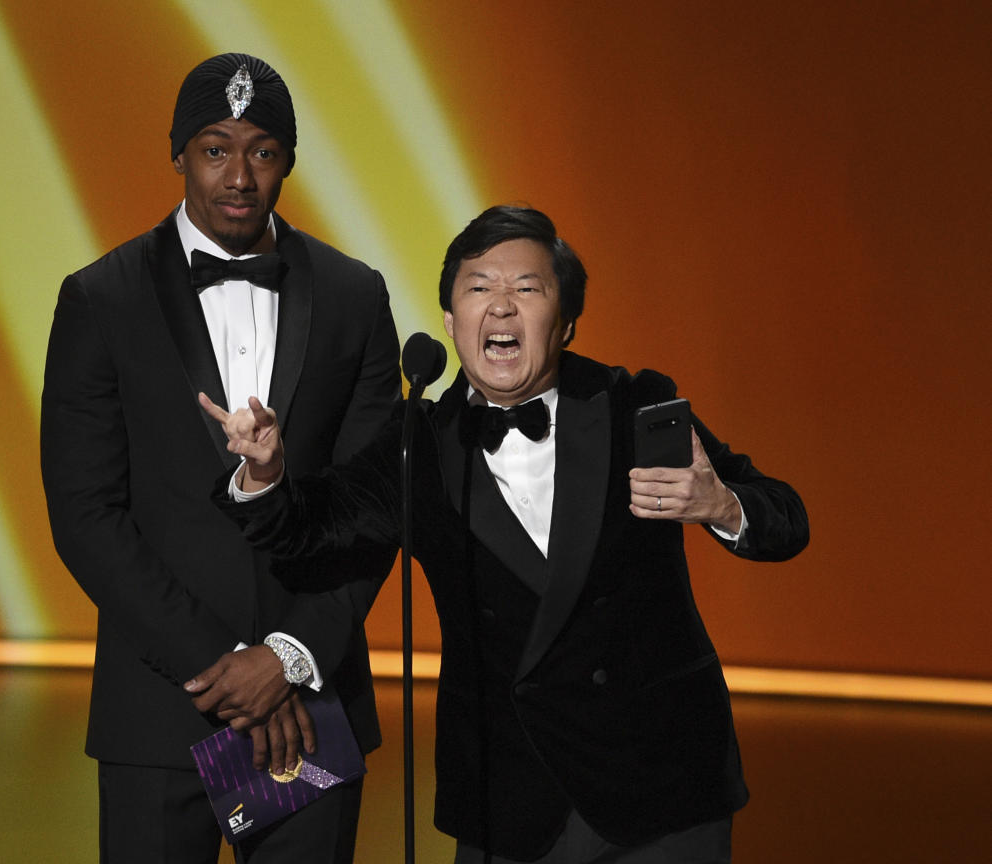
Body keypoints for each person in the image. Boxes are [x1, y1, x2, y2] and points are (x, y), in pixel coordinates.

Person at [204, 206, 809, 863]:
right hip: (510, 798)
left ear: (568, 321)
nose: (499, 306)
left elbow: (784, 516)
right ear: (449, 321)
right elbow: (308, 529)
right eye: (478, 287)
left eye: (526, 289)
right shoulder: (418, 445)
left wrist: (722, 505)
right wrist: (265, 473)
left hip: (660, 787)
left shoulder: (634, 405)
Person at [40, 53, 401, 864]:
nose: (239, 176)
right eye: (215, 148)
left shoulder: (354, 297)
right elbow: (85, 515)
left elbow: (373, 505)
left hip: (307, 709)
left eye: (263, 151)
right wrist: (223, 665)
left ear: (288, 162)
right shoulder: (101, 299)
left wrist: (289, 657)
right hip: (161, 707)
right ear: (179, 154)